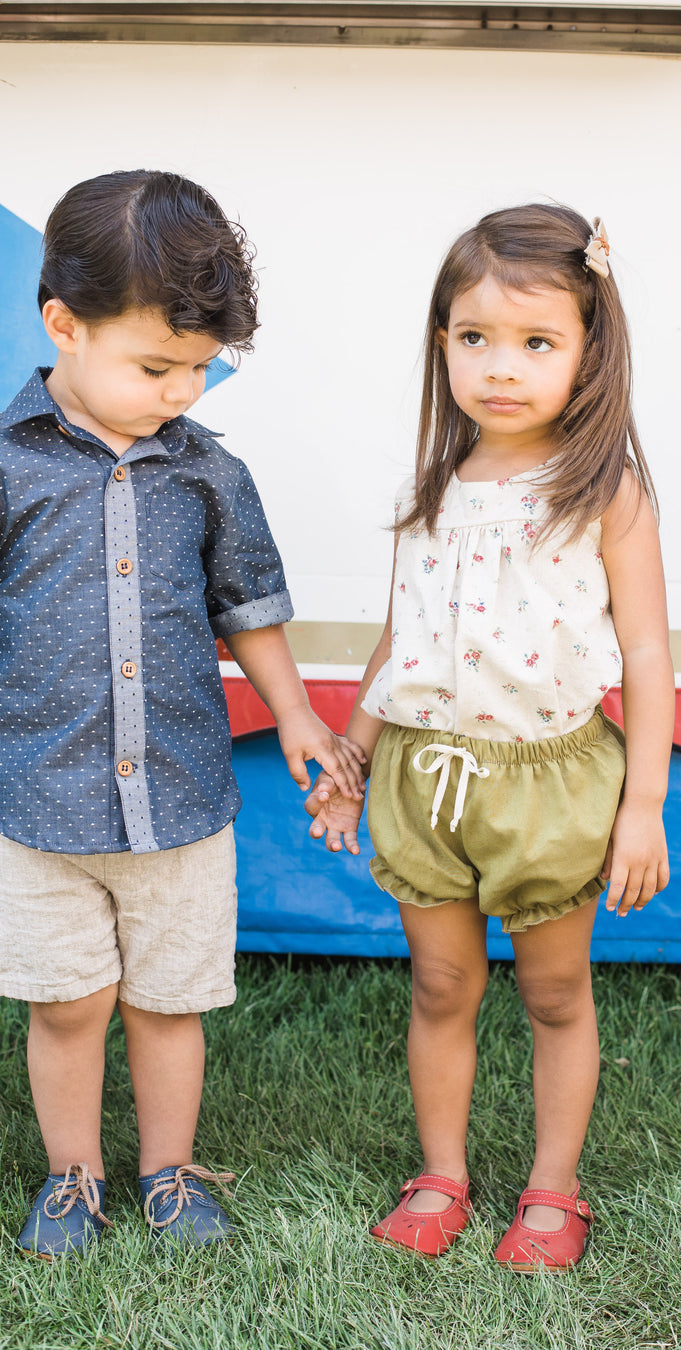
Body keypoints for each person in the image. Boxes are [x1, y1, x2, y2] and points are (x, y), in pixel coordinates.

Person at [0, 170, 365, 1259]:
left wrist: (296, 717)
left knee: (169, 1001)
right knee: (68, 1004)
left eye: (202, 370)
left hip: (181, 797)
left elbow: (245, 605)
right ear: (63, 323)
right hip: (39, 802)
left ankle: (169, 1171)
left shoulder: (211, 474)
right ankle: (73, 1178)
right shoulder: (8, 469)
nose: (182, 393)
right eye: (156, 366)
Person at [305, 203, 674, 1272]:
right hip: (426, 779)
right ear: (442, 344)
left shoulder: (605, 490)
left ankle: (553, 1186)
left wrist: (643, 802)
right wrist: (353, 752)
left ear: (588, 353)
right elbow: (400, 641)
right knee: (440, 985)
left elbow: (647, 657)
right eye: (475, 338)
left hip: (549, 784)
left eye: (535, 342)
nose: (499, 367)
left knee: (554, 992)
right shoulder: (431, 485)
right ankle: (443, 1172)